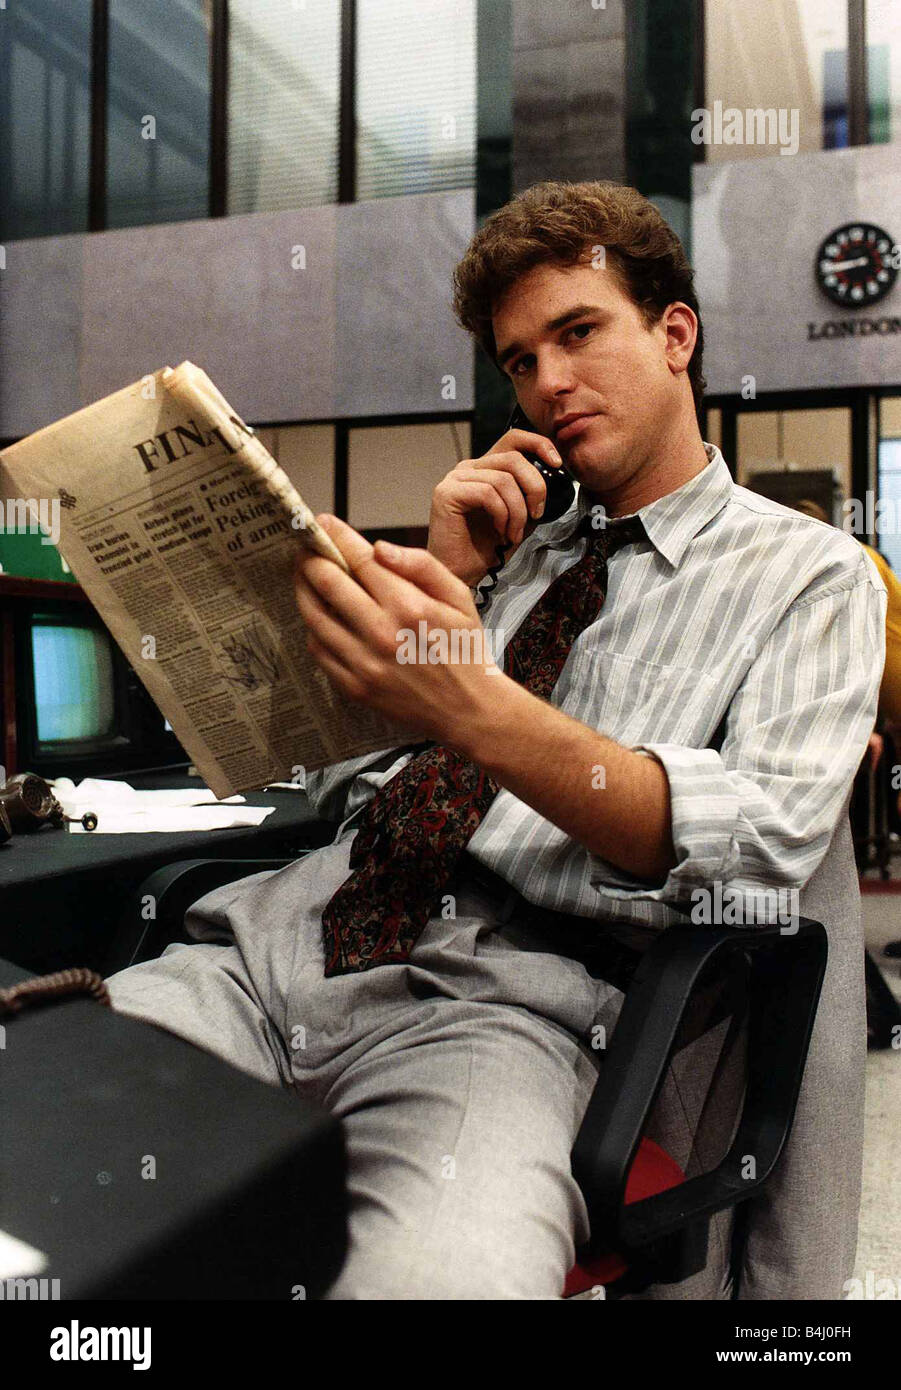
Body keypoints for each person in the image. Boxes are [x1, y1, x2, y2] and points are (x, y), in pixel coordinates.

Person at [106, 181, 885, 1300]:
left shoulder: (805, 574)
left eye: (577, 333)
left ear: (675, 335)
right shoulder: (506, 548)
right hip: (269, 952)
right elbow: (342, 791)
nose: (549, 383)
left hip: (494, 1005)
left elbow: (756, 845)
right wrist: (454, 577)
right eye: (520, 361)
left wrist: (473, 694)